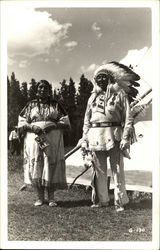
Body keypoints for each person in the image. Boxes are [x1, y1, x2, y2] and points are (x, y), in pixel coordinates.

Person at [81, 62, 140, 212]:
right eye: (98, 78)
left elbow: (128, 118)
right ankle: (102, 200)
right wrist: (84, 139)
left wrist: (126, 137)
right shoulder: (92, 98)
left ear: (110, 78)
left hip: (114, 136)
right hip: (95, 136)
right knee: (99, 170)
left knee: (117, 169)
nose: (101, 80)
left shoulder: (120, 94)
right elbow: (87, 121)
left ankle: (120, 201)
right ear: (95, 80)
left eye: (104, 77)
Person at [17, 80, 70, 207]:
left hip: (52, 138)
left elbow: (66, 123)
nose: (43, 90)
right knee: (37, 164)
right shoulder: (30, 105)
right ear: (37, 90)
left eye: (46, 87)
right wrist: (31, 127)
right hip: (34, 138)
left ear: (49, 90)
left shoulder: (56, 105)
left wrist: (53, 125)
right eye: (40, 87)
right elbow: (21, 122)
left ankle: (51, 198)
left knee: (50, 164)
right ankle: (39, 198)